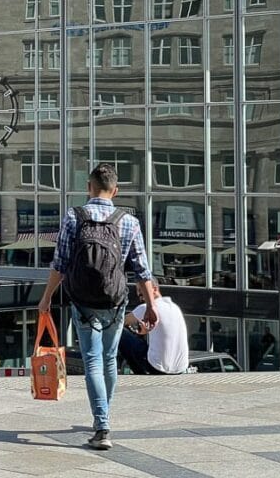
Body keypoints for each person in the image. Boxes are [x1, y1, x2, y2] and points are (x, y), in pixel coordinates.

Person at [38, 163, 158, 452]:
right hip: (115, 302)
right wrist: (151, 307)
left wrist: (46, 298)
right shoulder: (128, 221)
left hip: (82, 301)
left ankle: (101, 425)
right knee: (108, 360)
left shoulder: (73, 217)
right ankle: (103, 415)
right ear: (115, 190)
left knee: (92, 359)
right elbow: (142, 271)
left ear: (89, 187)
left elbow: (60, 264)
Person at [117, 285, 188, 376]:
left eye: (142, 293)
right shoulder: (175, 308)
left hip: (156, 368)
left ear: (154, 289)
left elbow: (120, 322)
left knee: (119, 332)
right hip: (180, 368)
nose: (140, 297)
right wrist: (143, 333)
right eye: (139, 295)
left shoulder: (147, 308)